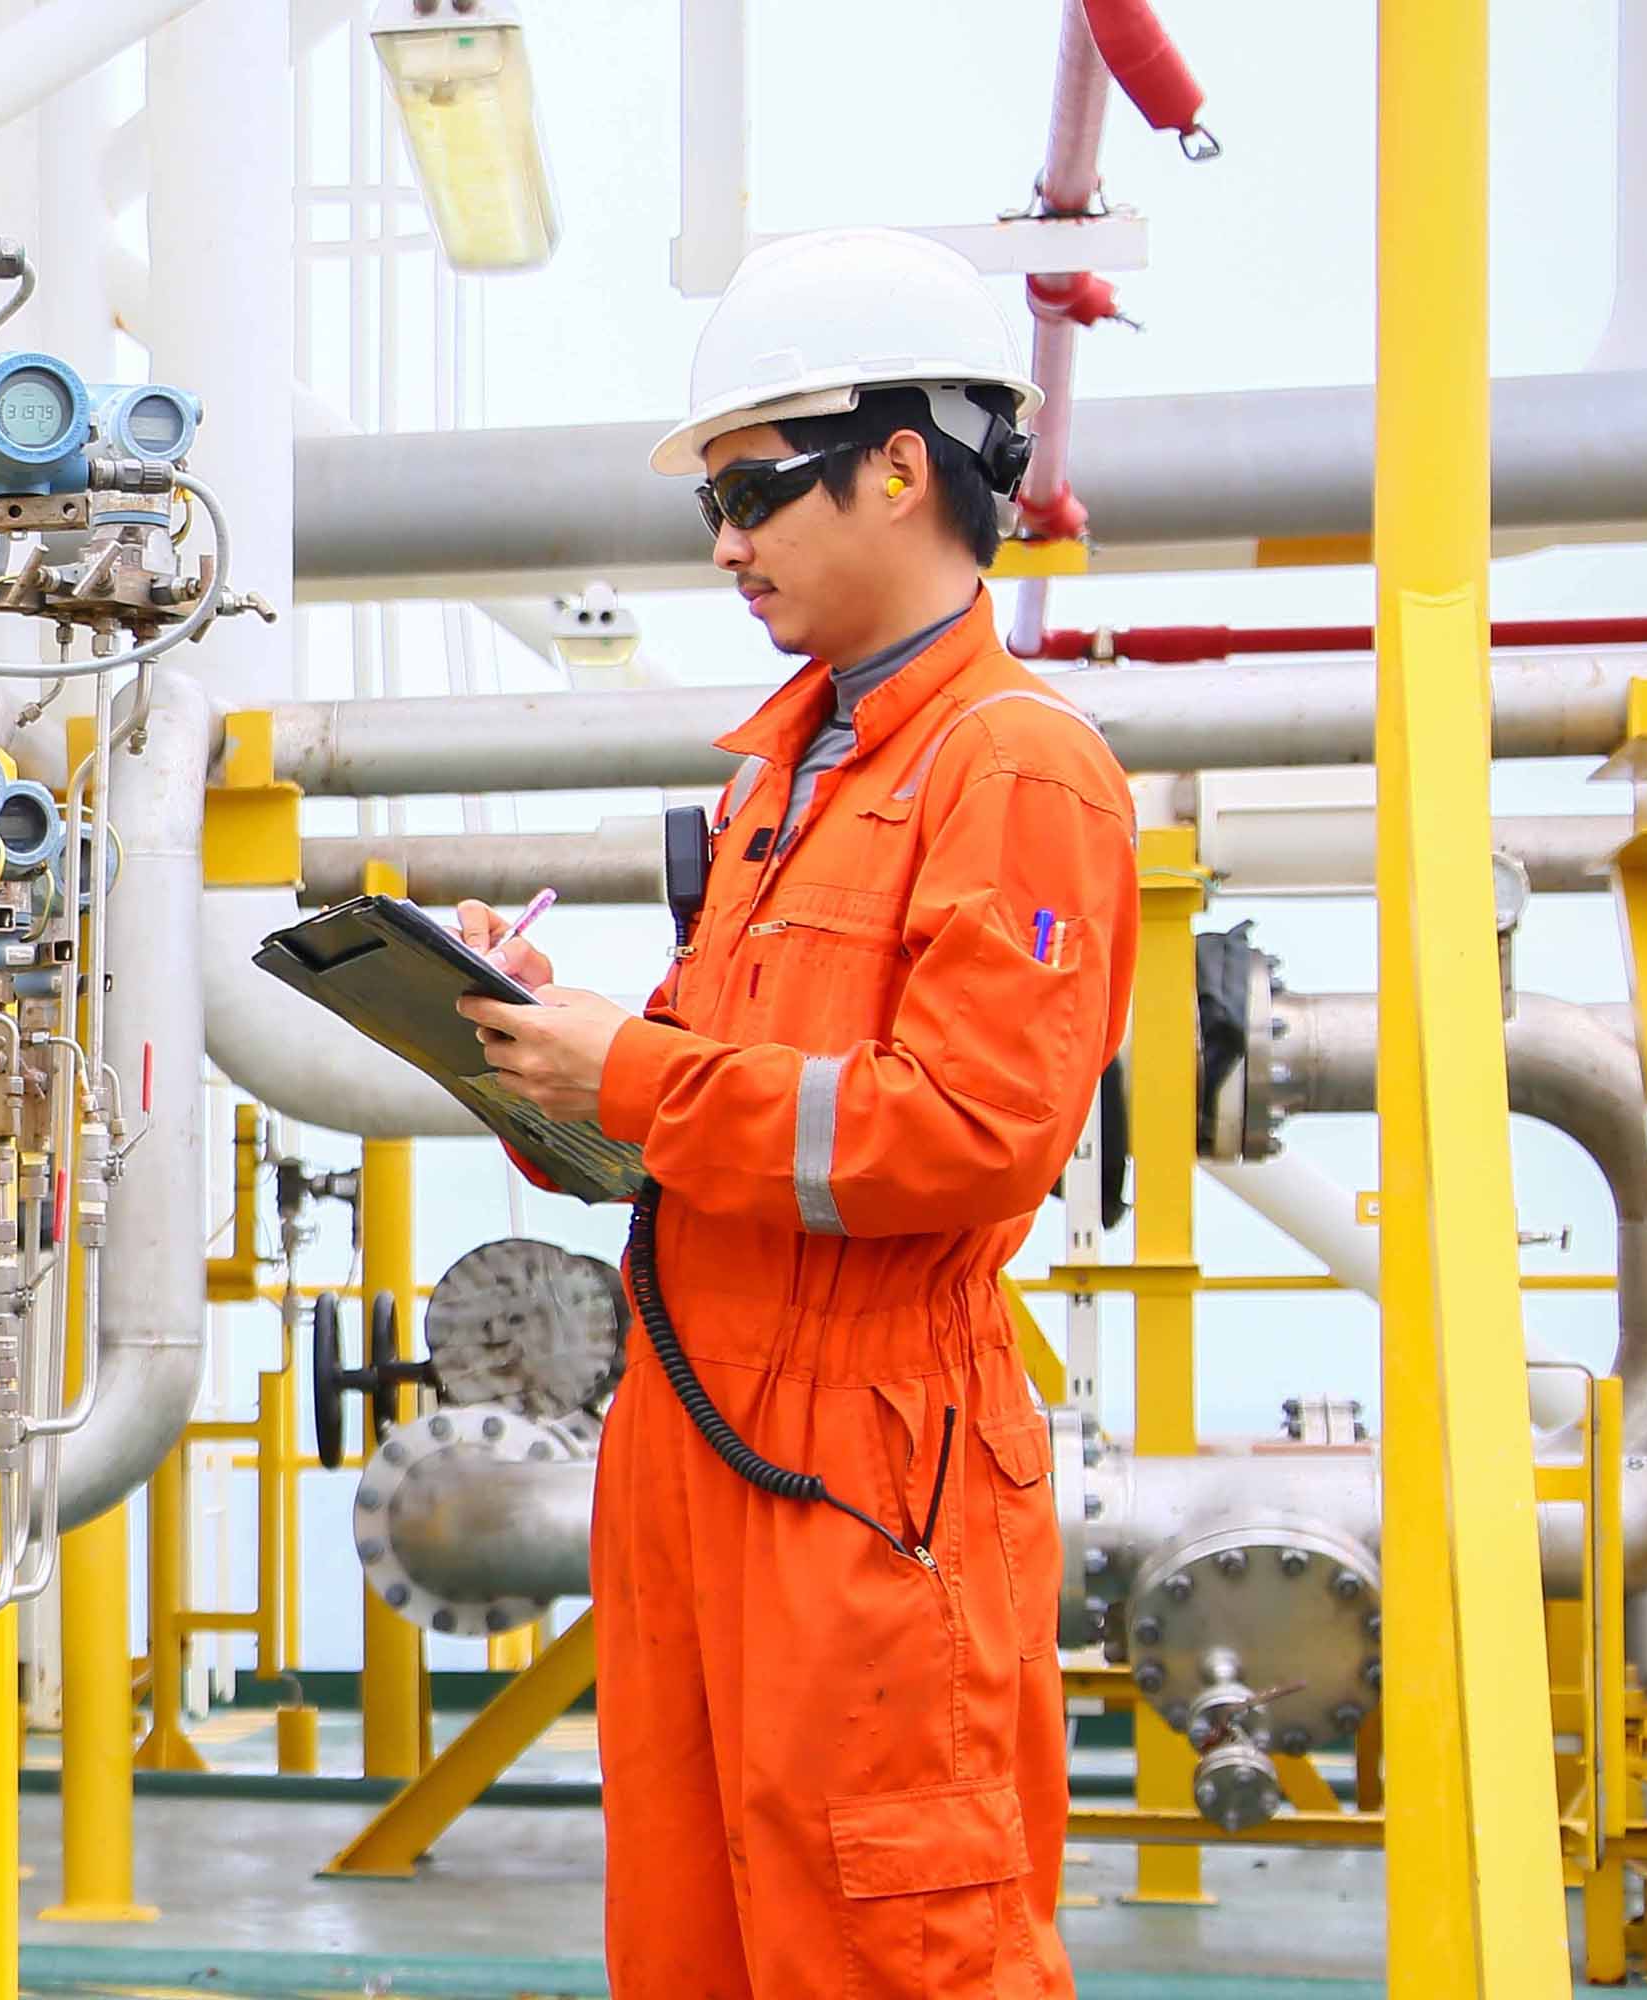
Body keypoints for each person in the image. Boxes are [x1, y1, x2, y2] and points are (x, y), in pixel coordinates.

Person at [446, 226, 1130, 2000]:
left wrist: (638, 1074)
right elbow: (686, 1130)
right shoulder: (783, 777)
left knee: (889, 1928)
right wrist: (529, 1064)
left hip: (865, 1460)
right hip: (694, 1430)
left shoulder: (1013, 767)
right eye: (713, 507)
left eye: (758, 487)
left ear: (904, 465)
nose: (731, 540)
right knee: (691, 1928)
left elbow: (972, 1133)